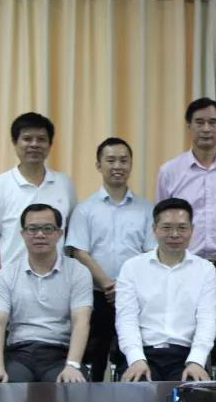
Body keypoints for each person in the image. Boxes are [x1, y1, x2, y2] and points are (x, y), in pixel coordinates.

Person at [66, 138, 156, 381]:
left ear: (131, 164)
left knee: (129, 356)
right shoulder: (85, 209)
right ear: (99, 165)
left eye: (124, 160)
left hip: (135, 295)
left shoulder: (146, 209)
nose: (118, 166)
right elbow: (79, 252)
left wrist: (124, 287)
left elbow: (150, 252)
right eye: (111, 160)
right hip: (96, 295)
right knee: (93, 358)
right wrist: (108, 285)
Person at [156, 97, 216, 311]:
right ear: (188, 126)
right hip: (184, 266)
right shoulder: (169, 171)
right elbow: (162, 221)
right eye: (199, 122)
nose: (206, 129)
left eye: (212, 122)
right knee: (184, 323)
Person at [0, 204, 92, 383]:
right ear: (23, 234)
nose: (40, 234)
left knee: (69, 388)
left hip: (60, 354)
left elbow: (81, 321)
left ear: (59, 233)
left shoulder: (78, 272)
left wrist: (72, 365)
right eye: (32, 229)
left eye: (48, 228)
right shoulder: (6, 275)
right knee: (5, 387)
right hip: (19, 354)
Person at [115, 198, 216, 381]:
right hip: (144, 353)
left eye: (182, 228)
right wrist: (136, 359)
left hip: (186, 355)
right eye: (167, 227)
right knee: (138, 388)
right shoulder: (132, 267)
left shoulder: (205, 269)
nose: (175, 234)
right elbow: (126, 318)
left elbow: (208, 319)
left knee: (191, 390)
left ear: (192, 230)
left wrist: (196, 360)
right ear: (154, 229)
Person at [0, 112, 77, 277]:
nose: (34, 144)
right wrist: (0, 283)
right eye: (27, 139)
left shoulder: (64, 183)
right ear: (15, 143)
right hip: (12, 280)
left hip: (58, 280)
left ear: (50, 144)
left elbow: (72, 234)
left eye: (41, 139)